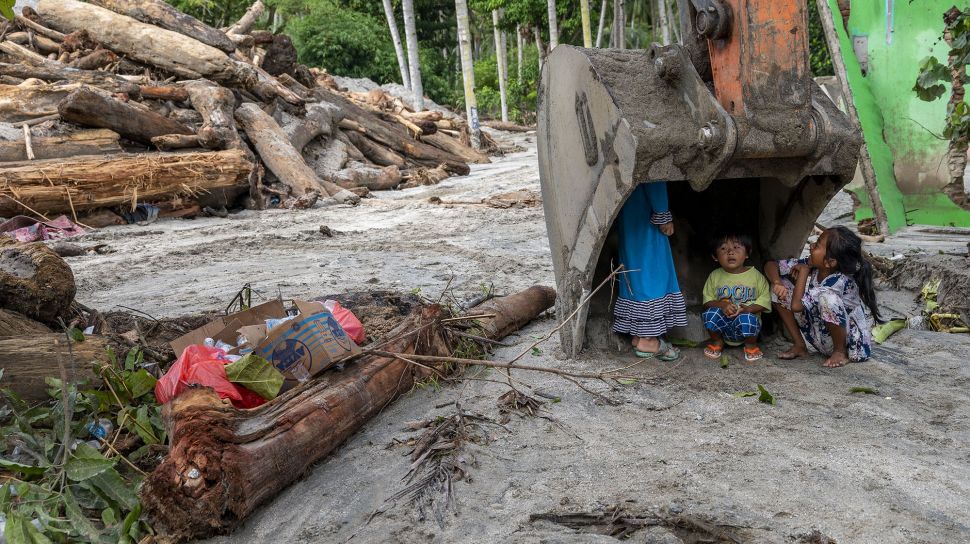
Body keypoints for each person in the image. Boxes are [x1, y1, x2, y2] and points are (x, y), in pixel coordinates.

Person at [764, 226, 880, 368]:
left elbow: (796, 306)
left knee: (827, 298)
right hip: (823, 337)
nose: (811, 246)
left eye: (817, 245)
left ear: (829, 262)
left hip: (852, 345)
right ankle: (800, 345)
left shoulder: (839, 281)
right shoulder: (816, 264)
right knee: (781, 289)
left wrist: (803, 273)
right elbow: (771, 265)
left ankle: (840, 352)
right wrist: (777, 283)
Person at [613, 182, 687, 360]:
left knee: (633, 269)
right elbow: (654, 176)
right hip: (646, 214)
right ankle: (648, 339)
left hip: (628, 212)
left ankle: (638, 334)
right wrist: (662, 213)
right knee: (652, 271)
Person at [701, 233, 771, 362]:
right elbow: (707, 301)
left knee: (749, 318)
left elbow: (765, 301)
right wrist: (721, 305)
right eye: (723, 248)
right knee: (709, 314)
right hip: (723, 326)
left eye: (736, 247)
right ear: (715, 256)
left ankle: (751, 345)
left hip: (746, 327)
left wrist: (748, 309)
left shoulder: (756, 276)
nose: (730, 252)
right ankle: (717, 342)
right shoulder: (714, 276)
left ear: (747, 253)